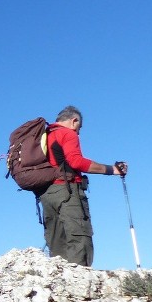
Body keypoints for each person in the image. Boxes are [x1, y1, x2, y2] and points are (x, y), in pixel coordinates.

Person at [40, 106, 127, 267]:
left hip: (46, 195)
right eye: (79, 128)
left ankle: (60, 283)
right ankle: (78, 284)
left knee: (56, 242)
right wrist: (111, 170)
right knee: (79, 238)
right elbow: (76, 162)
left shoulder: (44, 135)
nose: (78, 132)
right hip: (67, 192)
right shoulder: (67, 133)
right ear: (74, 121)